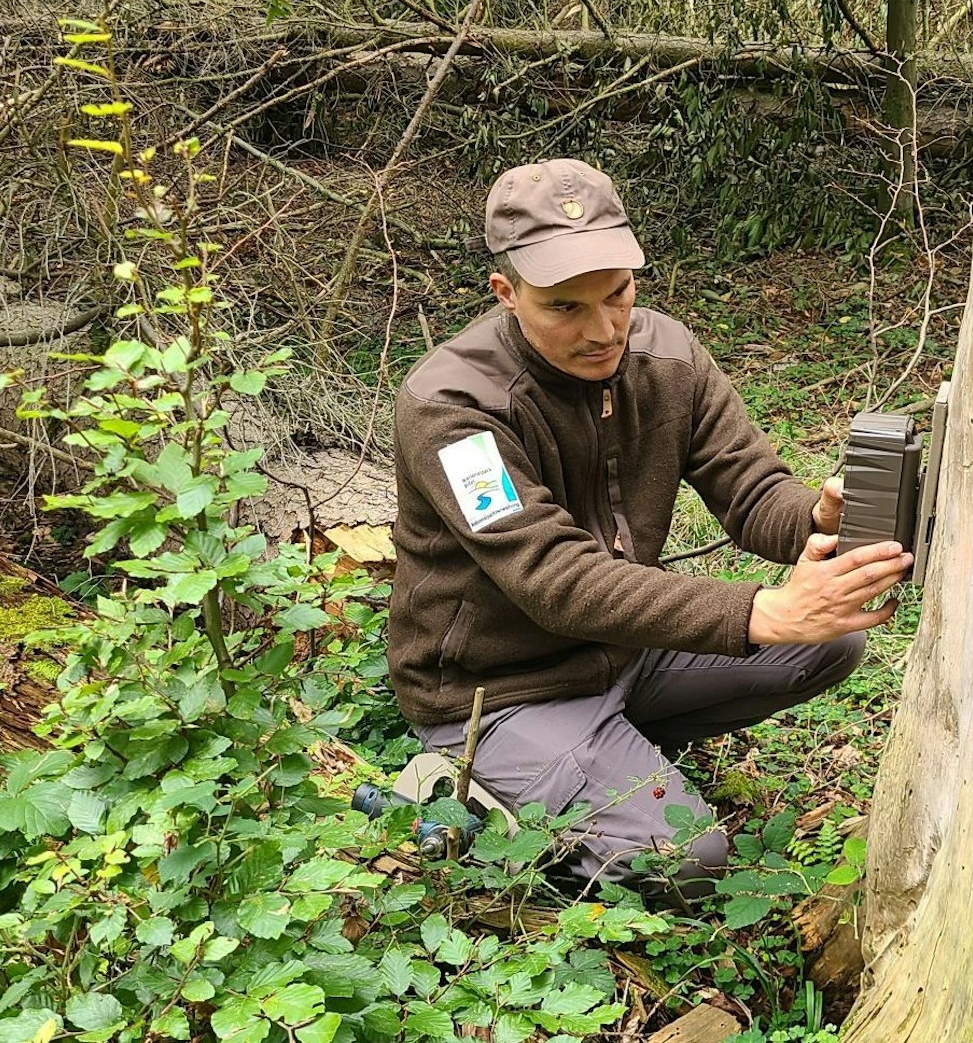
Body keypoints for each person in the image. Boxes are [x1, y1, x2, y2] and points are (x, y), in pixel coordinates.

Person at [389, 158, 912, 895]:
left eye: (618, 295)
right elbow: (554, 580)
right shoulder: (452, 407)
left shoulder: (667, 357)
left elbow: (754, 490)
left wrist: (817, 516)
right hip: (500, 689)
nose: (603, 329)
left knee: (830, 643)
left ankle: (609, 752)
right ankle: (491, 782)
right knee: (691, 860)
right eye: (565, 307)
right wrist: (762, 609)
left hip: (622, 652)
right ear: (507, 294)